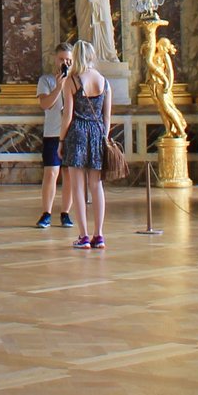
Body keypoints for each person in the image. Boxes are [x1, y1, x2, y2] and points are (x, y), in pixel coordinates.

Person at [59, 40, 111, 250]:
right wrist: (103, 138)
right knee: (96, 185)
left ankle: (83, 236)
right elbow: (107, 117)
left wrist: (61, 141)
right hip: (98, 133)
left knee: (77, 187)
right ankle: (99, 235)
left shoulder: (72, 81)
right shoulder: (104, 82)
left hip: (77, 133)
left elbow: (67, 117)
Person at [35, 43, 74, 229]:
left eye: (68, 60)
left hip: (72, 134)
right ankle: (46, 212)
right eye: (62, 59)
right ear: (55, 59)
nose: (65, 63)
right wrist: (59, 87)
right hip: (52, 133)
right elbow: (45, 105)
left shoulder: (76, 80)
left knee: (69, 174)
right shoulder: (46, 80)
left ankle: (65, 213)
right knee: (51, 172)